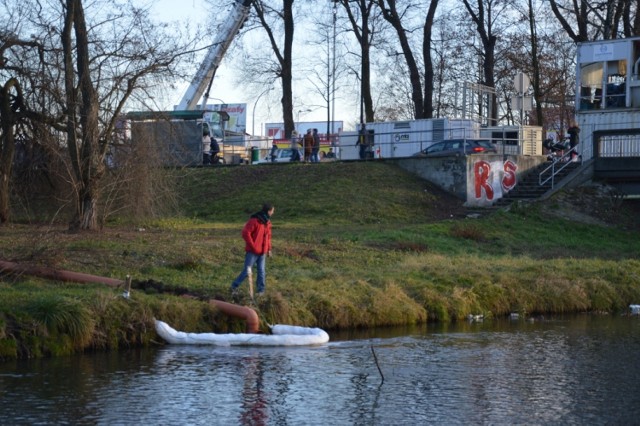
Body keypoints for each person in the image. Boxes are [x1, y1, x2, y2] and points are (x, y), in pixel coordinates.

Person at [230, 203, 274, 297]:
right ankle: (234, 286)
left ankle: (261, 291)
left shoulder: (267, 223)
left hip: (263, 252)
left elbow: (268, 237)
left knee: (261, 271)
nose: (273, 212)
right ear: (269, 211)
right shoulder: (254, 221)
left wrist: (269, 249)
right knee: (247, 271)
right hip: (253, 252)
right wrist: (253, 246)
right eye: (272, 211)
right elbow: (245, 233)